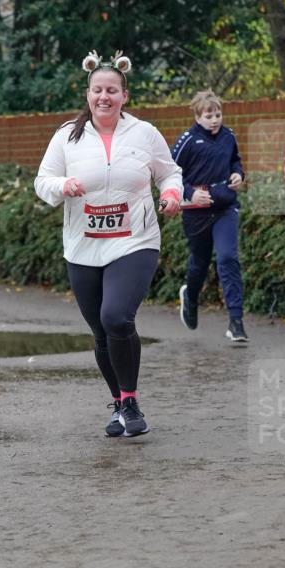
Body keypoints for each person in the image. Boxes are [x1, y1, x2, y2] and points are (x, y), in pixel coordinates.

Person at [34, 50, 182, 438]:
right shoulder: (67, 136)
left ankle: (131, 402)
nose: (104, 97)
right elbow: (42, 179)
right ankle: (118, 403)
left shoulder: (144, 133)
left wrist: (170, 195)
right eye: (98, 90)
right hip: (83, 245)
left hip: (135, 240)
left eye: (112, 90)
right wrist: (61, 185)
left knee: (116, 316)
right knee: (100, 332)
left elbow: (170, 173)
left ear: (124, 95)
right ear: (88, 94)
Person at [171, 89, 248, 343]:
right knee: (200, 262)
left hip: (225, 207)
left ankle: (236, 322)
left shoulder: (228, 136)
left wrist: (238, 175)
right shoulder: (188, 141)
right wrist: (191, 193)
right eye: (209, 116)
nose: (215, 120)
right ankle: (190, 297)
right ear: (197, 116)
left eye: (218, 114)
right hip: (196, 213)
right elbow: (169, 174)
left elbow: (235, 162)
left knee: (228, 258)